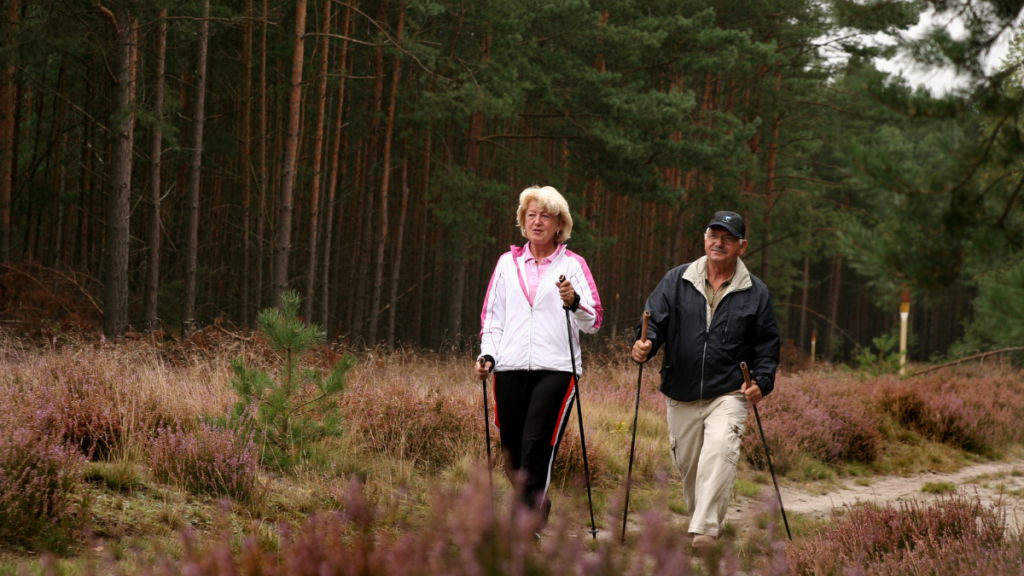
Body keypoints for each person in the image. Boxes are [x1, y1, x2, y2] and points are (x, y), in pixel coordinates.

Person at [631, 211, 780, 551]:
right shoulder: (677, 280)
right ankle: (704, 516)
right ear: (704, 239)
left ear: (742, 246)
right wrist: (646, 344)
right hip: (681, 391)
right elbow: (653, 320)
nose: (719, 242)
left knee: (720, 450)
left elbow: (767, 346)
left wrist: (763, 381)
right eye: (714, 235)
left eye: (728, 238)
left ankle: (705, 531)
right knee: (690, 466)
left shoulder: (756, 292)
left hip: (728, 391)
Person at [475, 185, 603, 523]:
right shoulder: (506, 264)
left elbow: (594, 321)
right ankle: (536, 504)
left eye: (545, 215)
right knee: (512, 453)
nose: (537, 221)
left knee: (536, 446)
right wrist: (488, 354)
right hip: (510, 366)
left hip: (557, 369)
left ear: (559, 224)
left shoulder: (574, 265)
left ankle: (526, 526)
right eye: (531, 215)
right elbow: (492, 317)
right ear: (522, 221)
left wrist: (574, 302)